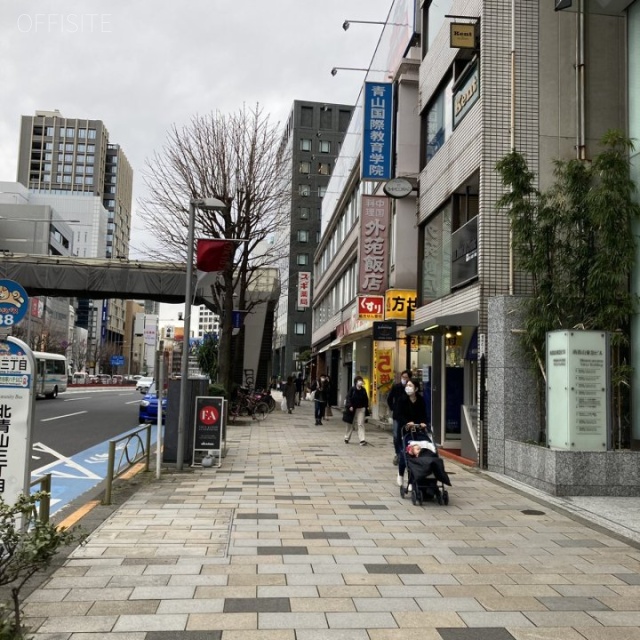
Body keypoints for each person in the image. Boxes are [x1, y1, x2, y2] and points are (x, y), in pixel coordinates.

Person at [396, 379, 430, 488]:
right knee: (406, 452)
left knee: (420, 452)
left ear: (415, 388)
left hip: (418, 430)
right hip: (406, 430)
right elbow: (398, 415)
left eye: (410, 385)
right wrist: (407, 423)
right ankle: (401, 474)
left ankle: (413, 480)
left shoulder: (420, 400)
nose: (408, 387)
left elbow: (424, 414)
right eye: (407, 385)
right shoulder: (402, 400)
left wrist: (423, 423)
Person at [387, 370, 412, 466]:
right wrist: (393, 408)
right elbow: (389, 398)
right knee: (396, 436)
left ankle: (405, 454)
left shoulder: (410, 388)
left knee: (406, 436)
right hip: (397, 415)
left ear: (409, 378)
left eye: (406, 377)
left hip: (408, 416)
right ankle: (398, 453)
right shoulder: (396, 387)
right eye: (403, 377)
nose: (404, 379)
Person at [344, 375, 369, 446]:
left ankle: (362, 440)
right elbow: (348, 398)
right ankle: (347, 437)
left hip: (361, 408)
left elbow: (366, 399)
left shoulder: (363, 390)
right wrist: (350, 406)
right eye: (359, 381)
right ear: (356, 382)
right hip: (352, 409)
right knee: (350, 423)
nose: (361, 382)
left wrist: (366, 407)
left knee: (360, 424)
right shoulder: (352, 389)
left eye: (361, 381)